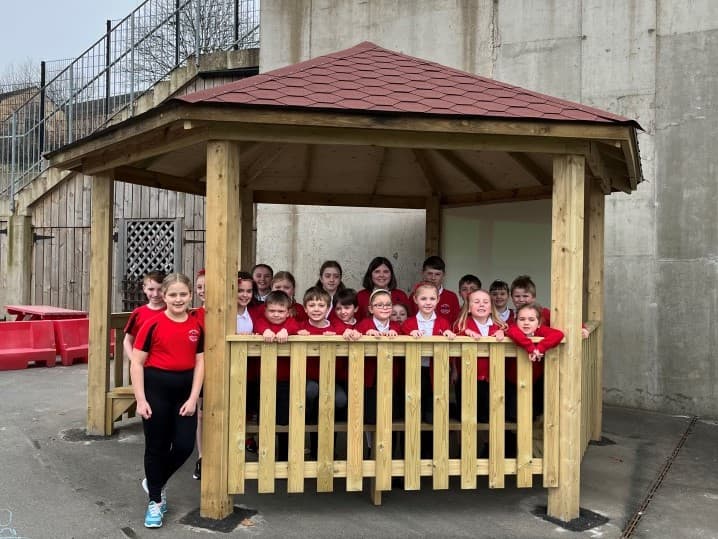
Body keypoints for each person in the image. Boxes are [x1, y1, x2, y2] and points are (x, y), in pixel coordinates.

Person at [130, 273, 204, 529]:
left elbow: (200, 361)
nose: (178, 299)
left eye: (183, 294)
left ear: (190, 296)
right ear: (164, 296)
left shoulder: (196, 325)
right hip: (156, 391)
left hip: (185, 393)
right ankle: (155, 501)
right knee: (156, 447)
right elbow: (137, 362)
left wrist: (194, 397)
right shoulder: (152, 324)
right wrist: (141, 399)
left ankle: (155, 481)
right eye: (173, 294)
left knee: (184, 446)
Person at [401, 281, 456, 457]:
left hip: (436, 373)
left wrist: (448, 335)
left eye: (432, 298)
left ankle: (430, 456)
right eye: (423, 298)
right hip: (414, 373)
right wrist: (410, 335)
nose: (428, 302)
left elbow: (449, 347)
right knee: (412, 414)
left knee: (433, 416)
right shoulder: (408, 323)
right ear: (415, 300)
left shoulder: (443, 322)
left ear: (438, 300)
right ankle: (410, 455)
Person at [298, 286, 346, 459]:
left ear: (328, 308)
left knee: (340, 400)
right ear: (305, 308)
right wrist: (295, 334)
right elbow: (286, 329)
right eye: (312, 305)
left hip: (331, 379)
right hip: (309, 379)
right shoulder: (300, 327)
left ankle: (327, 448)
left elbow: (351, 332)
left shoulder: (336, 327)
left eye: (321, 305)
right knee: (311, 391)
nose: (316, 309)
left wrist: (350, 334)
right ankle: (310, 422)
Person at [252, 290, 301, 460]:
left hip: (287, 379)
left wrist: (285, 331)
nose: (276, 315)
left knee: (285, 417)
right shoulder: (261, 321)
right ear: (265, 310)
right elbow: (258, 325)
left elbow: (294, 326)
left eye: (281, 311)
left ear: (288, 312)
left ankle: (284, 454)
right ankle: (264, 452)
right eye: (272, 311)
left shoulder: (291, 323)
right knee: (264, 414)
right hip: (264, 378)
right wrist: (265, 331)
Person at [452, 289, 507, 423]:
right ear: (469, 308)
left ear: (491, 308)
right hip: (467, 377)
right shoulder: (461, 325)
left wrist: (503, 333)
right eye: (476, 302)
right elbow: (454, 337)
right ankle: (462, 444)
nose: (481, 305)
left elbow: (511, 330)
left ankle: (486, 444)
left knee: (487, 416)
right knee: (466, 417)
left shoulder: (499, 326)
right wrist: (466, 332)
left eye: (485, 302)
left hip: (492, 378)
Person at [505, 303, 564, 421]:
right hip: (512, 380)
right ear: (516, 321)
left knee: (533, 412)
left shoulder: (540, 330)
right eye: (522, 319)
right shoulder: (513, 328)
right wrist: (531, 348)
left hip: (535, 380)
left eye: (531, 319)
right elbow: (513, 332)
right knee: (512, 414)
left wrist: (540, 348)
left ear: (539, 323)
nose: (526, 323)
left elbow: (558, 334)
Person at [356, 289, 402, 425]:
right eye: (379, 305)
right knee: (370, 416)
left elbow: (404, 332)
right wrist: (365, 334)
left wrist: (395, 333)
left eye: (388, 304)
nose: (384, 307)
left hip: (391, 375)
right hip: (370, 376)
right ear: (371, 308)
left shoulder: (396, 326)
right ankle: (371, 446)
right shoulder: (364, 324)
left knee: (389, 415)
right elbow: (355, 335)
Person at [123, 271, 166, 361]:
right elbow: (127, 341)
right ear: (144, 289)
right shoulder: (138, 313)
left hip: (166, 365)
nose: (155, 294)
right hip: (143, 365)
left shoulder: (172, 311)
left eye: (160, 289)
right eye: (151, 289)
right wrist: (134, 361)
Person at [420, 256, 460, 325]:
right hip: (421, 335)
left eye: (437, 274)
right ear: (423, 273)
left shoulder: (451, 297)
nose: (433, 278)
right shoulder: (415, 296)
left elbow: (456, 322)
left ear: (443, 275)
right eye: (430, 273)